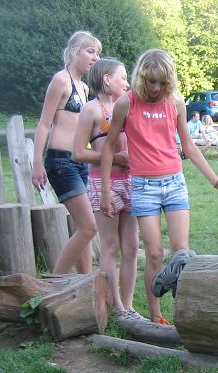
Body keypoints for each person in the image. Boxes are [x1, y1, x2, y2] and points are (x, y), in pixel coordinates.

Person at [98, 48, 218, 324]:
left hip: (174, 183)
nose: (155, 88)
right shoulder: (126, 103)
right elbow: (109, 146)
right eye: (151, 81)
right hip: (143, 187)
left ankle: (184, 311)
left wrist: (215, 180)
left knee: (181, 253)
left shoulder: (175, 102)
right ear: (141, 78)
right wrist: (105, 191)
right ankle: (156, 316)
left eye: (161, 82)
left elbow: (189, 147)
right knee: (154, 254)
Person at [72, 58, 146, 323]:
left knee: (132, 247)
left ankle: (129, 307)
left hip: (131, 182)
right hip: (104, 183)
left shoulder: (129, 105)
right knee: (111, 245)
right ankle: (115, 306)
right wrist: (116, 158)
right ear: (106, 79)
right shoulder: (91, 109)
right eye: (122, 77)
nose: (127, 82)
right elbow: (78, 153)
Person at [31, 31, 101, 275]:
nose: (95, 57)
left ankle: (84, 283)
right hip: (61, 162)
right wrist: (37, 163)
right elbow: (44, 124)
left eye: (97, 53)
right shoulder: (61, 81)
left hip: (80, 162)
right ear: (74, 52)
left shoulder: (84, 88)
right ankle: (54, 283)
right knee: (89, 227)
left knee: (83, 227)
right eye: (90, 51)